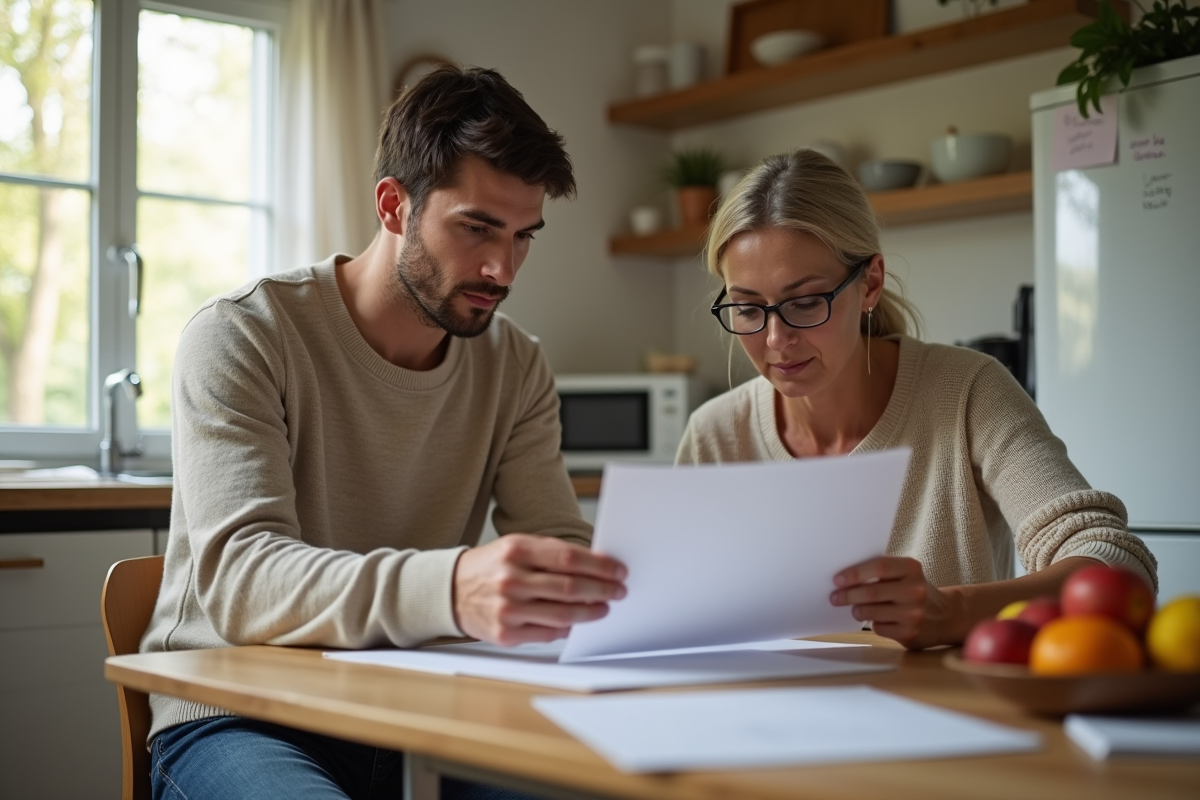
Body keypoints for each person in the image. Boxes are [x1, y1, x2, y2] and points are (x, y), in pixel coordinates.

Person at [141, 65, 627, 800]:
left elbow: (558, 541)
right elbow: (243, 584)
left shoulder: (516, 364)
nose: (503, 268)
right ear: (394, 205)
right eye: (476, 228)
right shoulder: (243, 335)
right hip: (240, 712)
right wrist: (454, 588)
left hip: (418, 713)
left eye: (523, 236)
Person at [676, 149, 1156, 651]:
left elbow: (1119, 564)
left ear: (870, 284)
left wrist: (952, 612)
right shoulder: (714, 435)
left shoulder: (968, 393)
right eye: (748, 309)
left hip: (947, 700)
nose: (776, 339)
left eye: (806, 302)